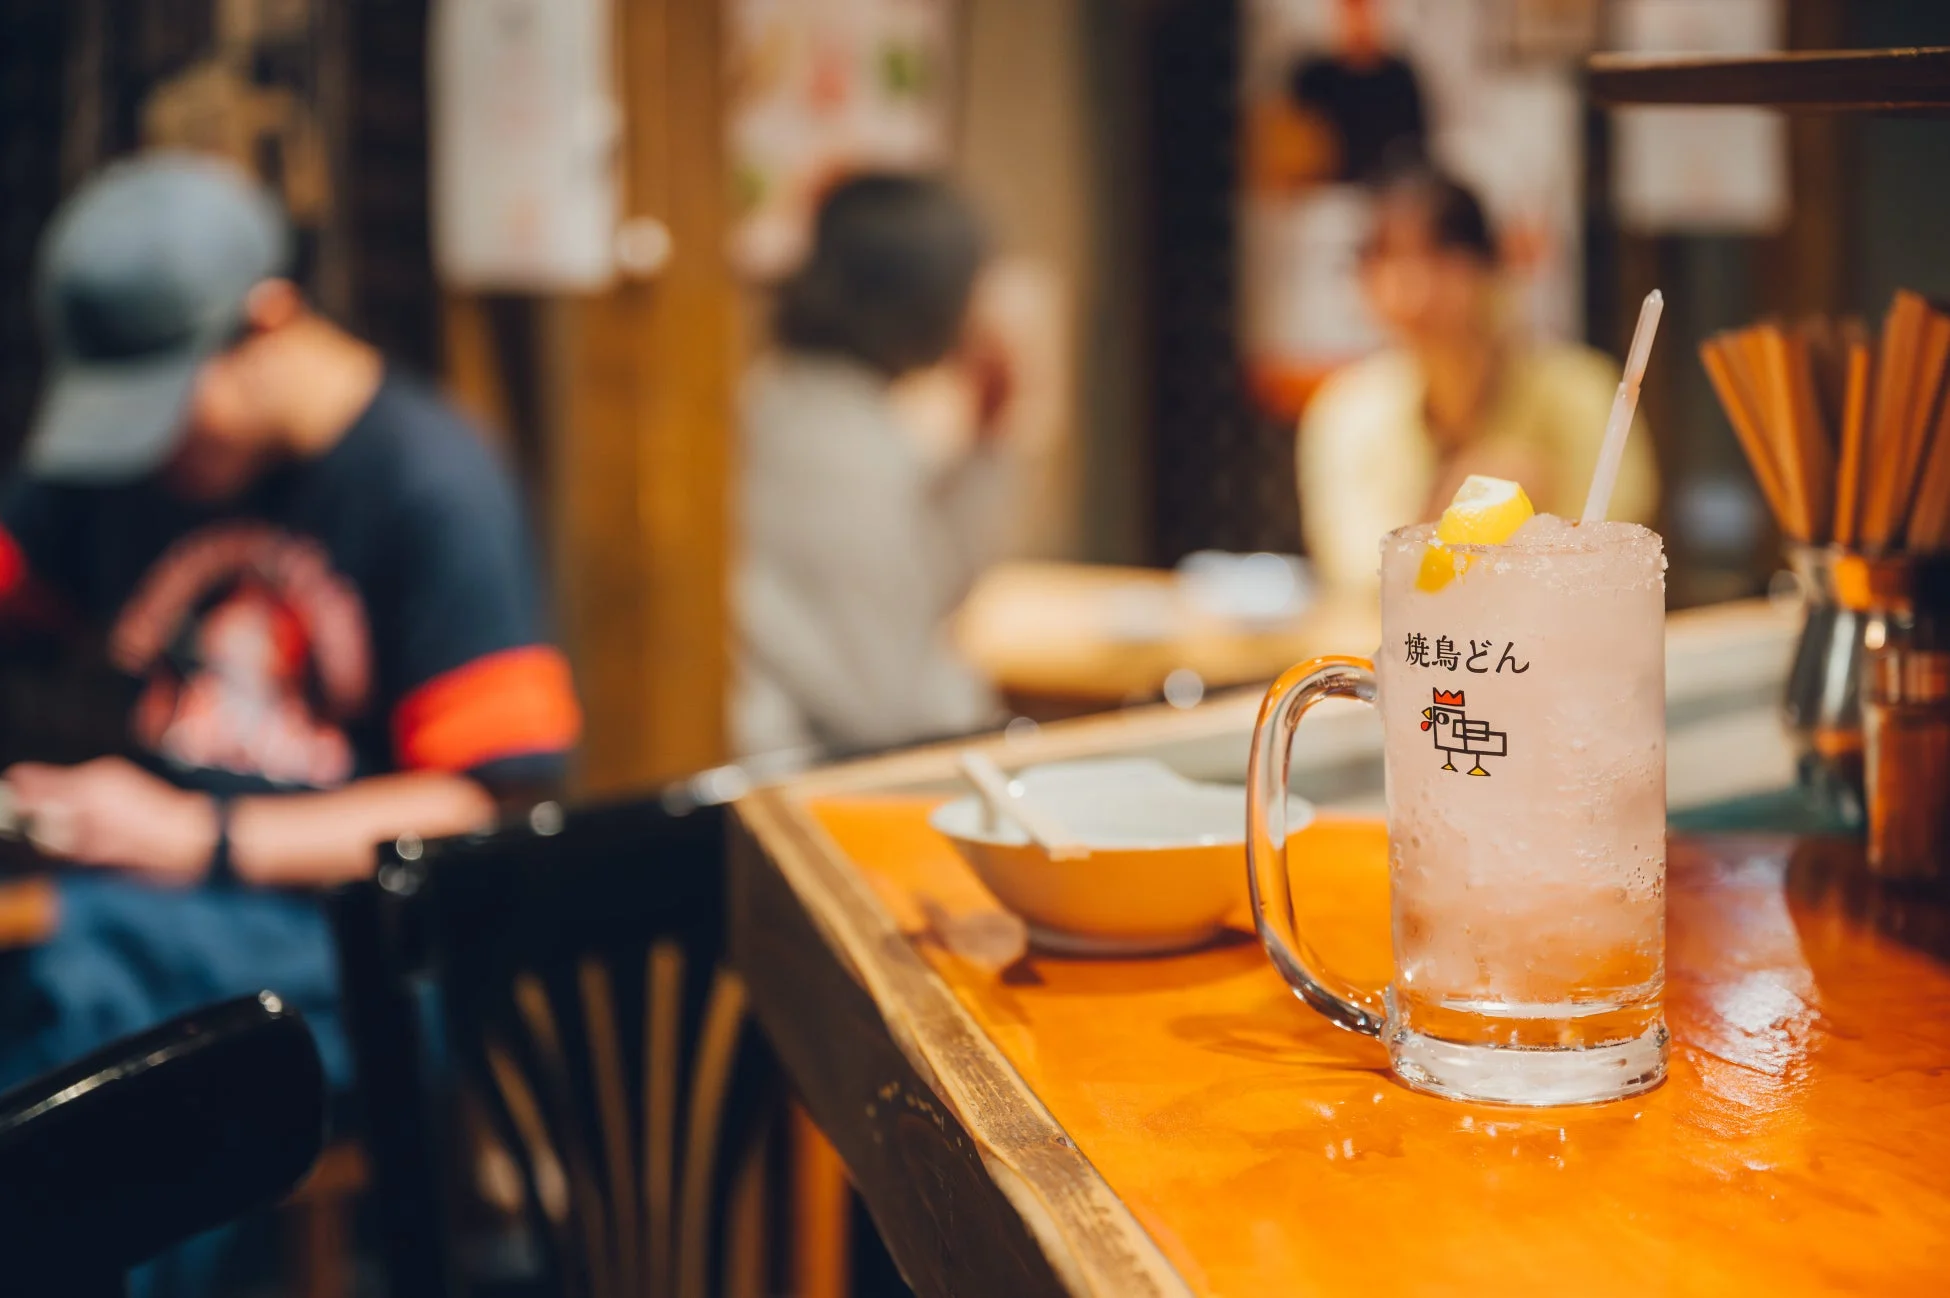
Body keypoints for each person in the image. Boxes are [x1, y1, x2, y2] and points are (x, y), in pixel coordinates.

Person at [0, 153, 580, 1097]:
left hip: (341, 946)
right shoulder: (127, 472)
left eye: (160, 407)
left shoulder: (432, 482)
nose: (145, 446)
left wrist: (196, 836)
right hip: (132, 914)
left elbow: (483, 808)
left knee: (84, 1013)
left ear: (266, 324)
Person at [734, 173, 1011, 762]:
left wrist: (989, 442)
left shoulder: (818, 409)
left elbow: (927, 591)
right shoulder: (828, 450)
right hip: (819, 781)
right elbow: (884, 701)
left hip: (841, 756)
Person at [1298, 168, 1658, 591]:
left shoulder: (1581, 391)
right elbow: (1353, 572)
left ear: (1492, 266)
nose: (1414, 288)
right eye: (1388, 257)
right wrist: (1453, 508)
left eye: (1440, 257)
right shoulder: (1347, 410)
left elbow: (1620, 537)